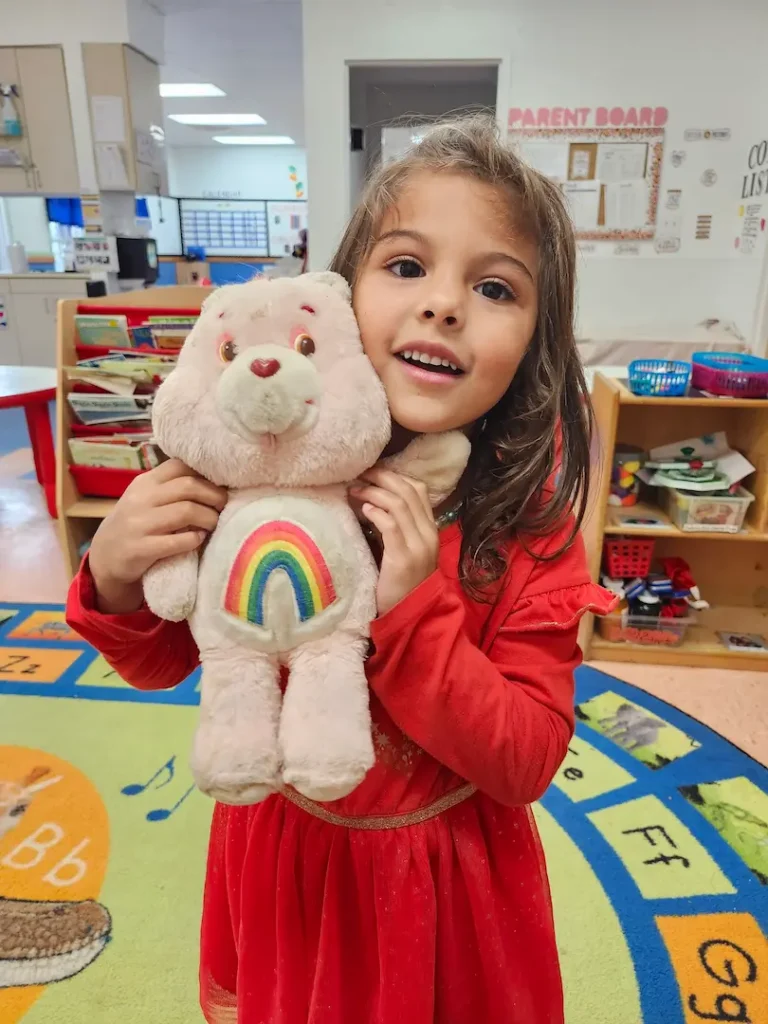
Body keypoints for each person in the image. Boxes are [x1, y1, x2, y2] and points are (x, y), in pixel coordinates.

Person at [66, 115, 616, 1024]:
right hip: (288, 858)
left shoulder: (532, 532)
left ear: (534, 342)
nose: (443, 304)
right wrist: (119, 575)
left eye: (493, 286)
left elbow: (524, 760)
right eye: (406, 267)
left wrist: (416, 610)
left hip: (444, 884)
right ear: (337, 293)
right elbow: (170, 661)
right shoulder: (245, 467)